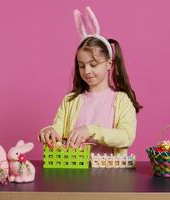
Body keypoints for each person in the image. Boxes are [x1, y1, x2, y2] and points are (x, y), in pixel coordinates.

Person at [38, 7, 142, 156]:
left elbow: (126, 137)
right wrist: (49, 131)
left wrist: (91, 130)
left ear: (109, 64)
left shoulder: (121, 101)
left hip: (111, 176)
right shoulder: (70, 100)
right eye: (81, 65)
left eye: (93, 64)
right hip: (75, 173)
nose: (86, 71)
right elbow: (58, 128)